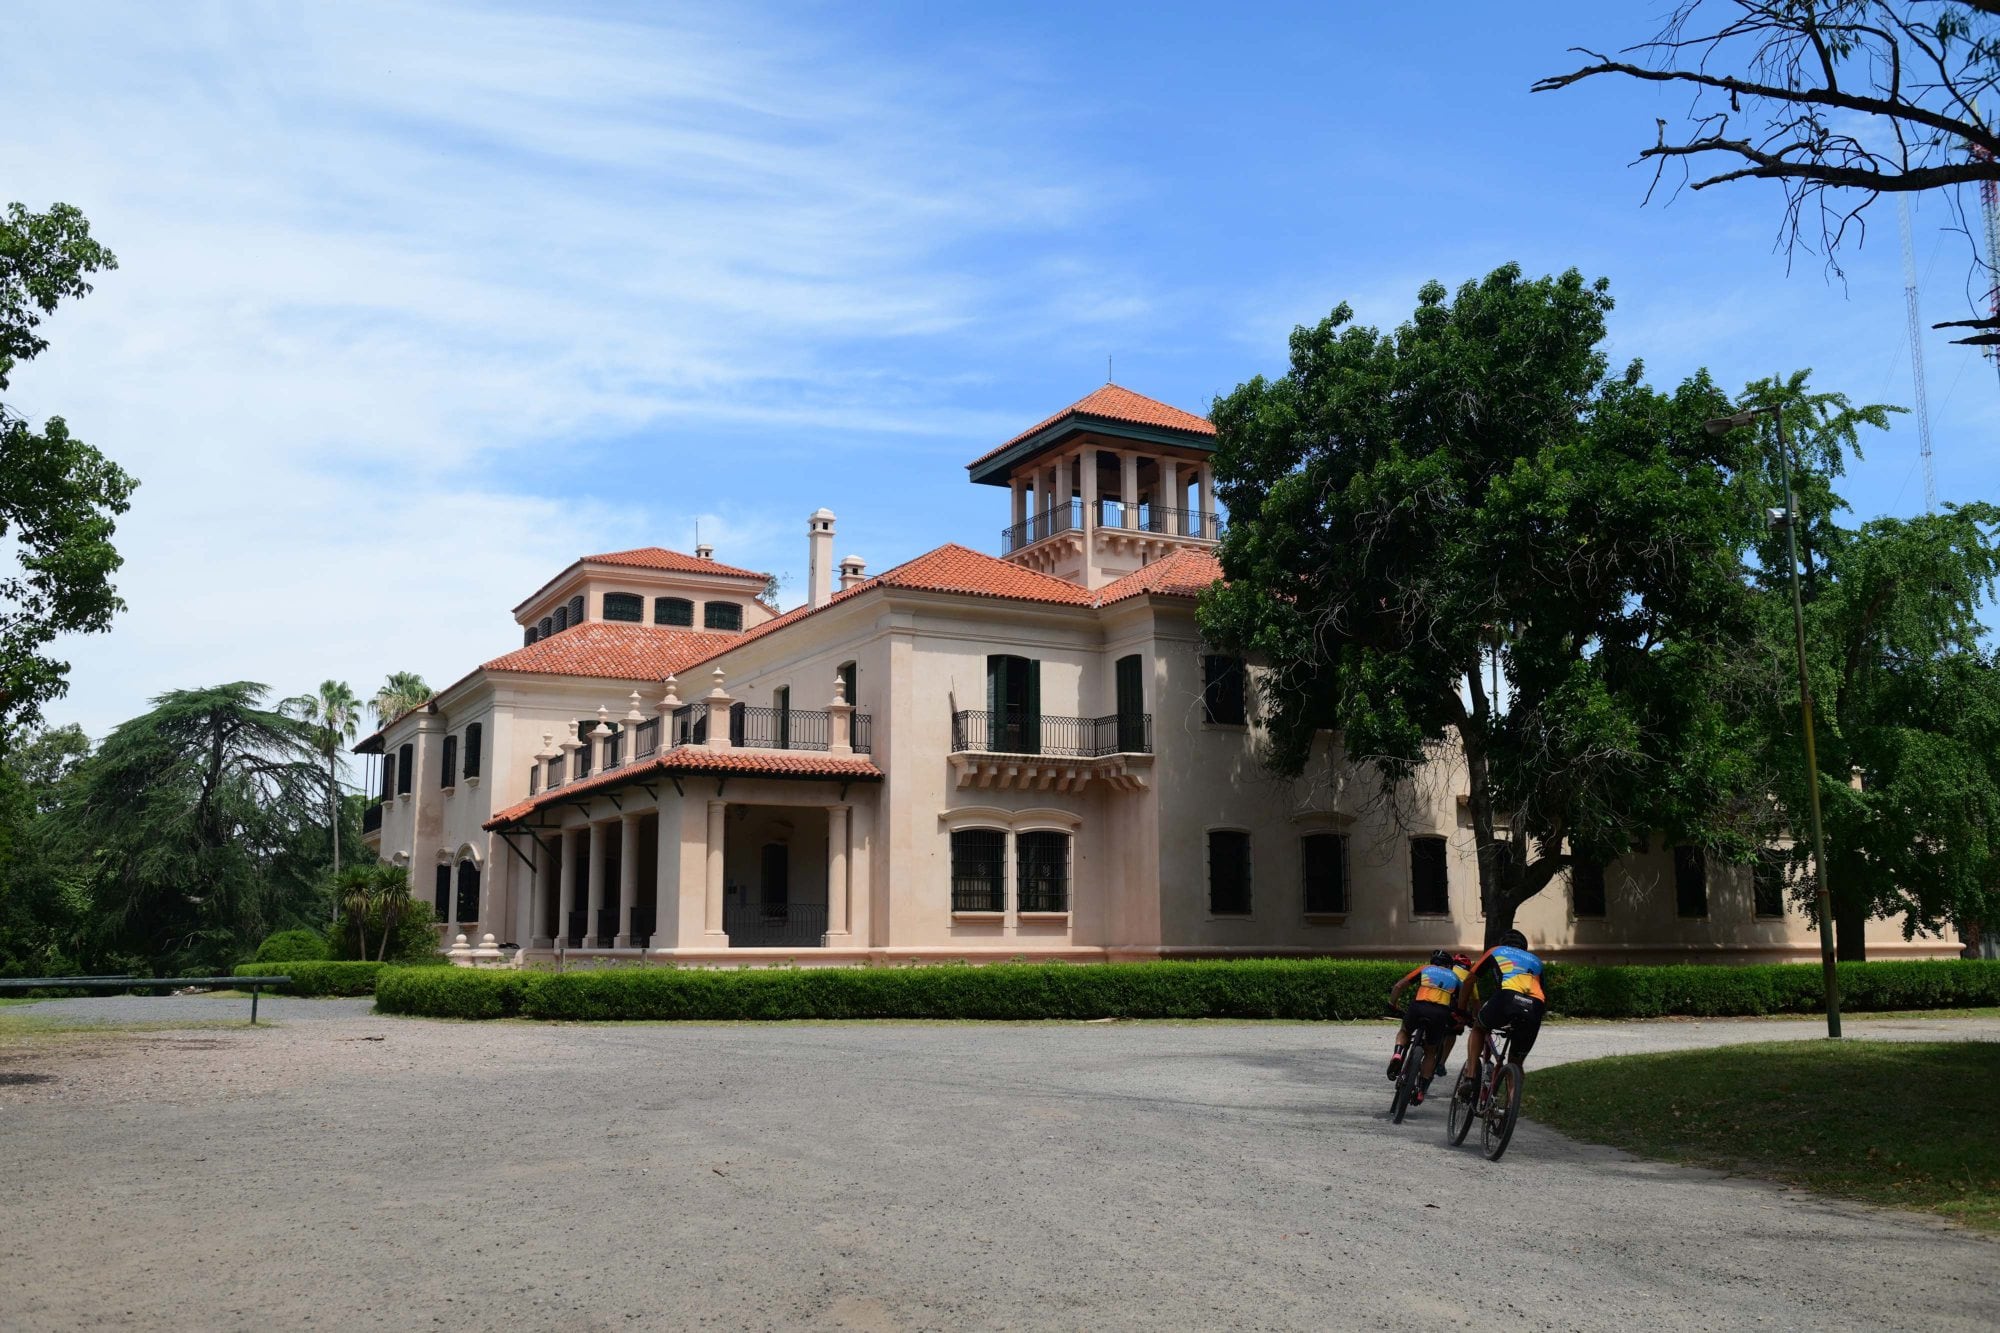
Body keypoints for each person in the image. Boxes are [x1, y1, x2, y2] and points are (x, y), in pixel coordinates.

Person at [1455, 929, 1547, 1102]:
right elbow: (1544, 993)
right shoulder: (1536, 961)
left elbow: (1469, 980)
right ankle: (1510, 1109)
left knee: (1479, 1028)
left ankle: (1470, 1077)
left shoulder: (1496, 951)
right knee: (1516, 1062)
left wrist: (1461, 1010)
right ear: (1524, 947)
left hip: (1507, 998)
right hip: (1535, 1006)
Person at [1385, 949, 1471, 1106]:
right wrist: (1461, 1016)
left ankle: (1397, 1054)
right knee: (1431, 1051)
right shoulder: (1455, 977)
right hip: (1440, 1013)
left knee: (1405, 1031)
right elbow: (1461, 1003)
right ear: (1449, 965)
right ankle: (1421, 1090)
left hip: (1419, 1007)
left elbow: (1399, 986)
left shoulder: (1425, 969)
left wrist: (1392, 1004)